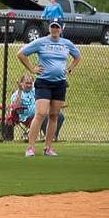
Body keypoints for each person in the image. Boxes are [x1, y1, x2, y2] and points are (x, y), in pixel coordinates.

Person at [16, 20, 80, 157]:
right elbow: (21, 54)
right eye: (53, 27)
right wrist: (32, 69)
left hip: (60, 84)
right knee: (40, 114)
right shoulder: (41, 42)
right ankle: (30, 148)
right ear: (49, 29)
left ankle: (48, 148)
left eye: (57, 27)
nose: (55, 29)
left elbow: (77, 56)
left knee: (54, 115)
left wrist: (70, 68)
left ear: (61, 29)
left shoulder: (66, 44)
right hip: (43, 83)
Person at [8, 73, 64, 139]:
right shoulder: (17, 94)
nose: (29, 85)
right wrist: (20, 90)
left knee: (59, 115)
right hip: (27, 118)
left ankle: (53, 136)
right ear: (21, 83)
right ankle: (50, 137)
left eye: (30, 83)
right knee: (44, 116)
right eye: (27, 83)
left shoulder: (35, 90)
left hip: (40, 113)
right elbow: (15, 107)